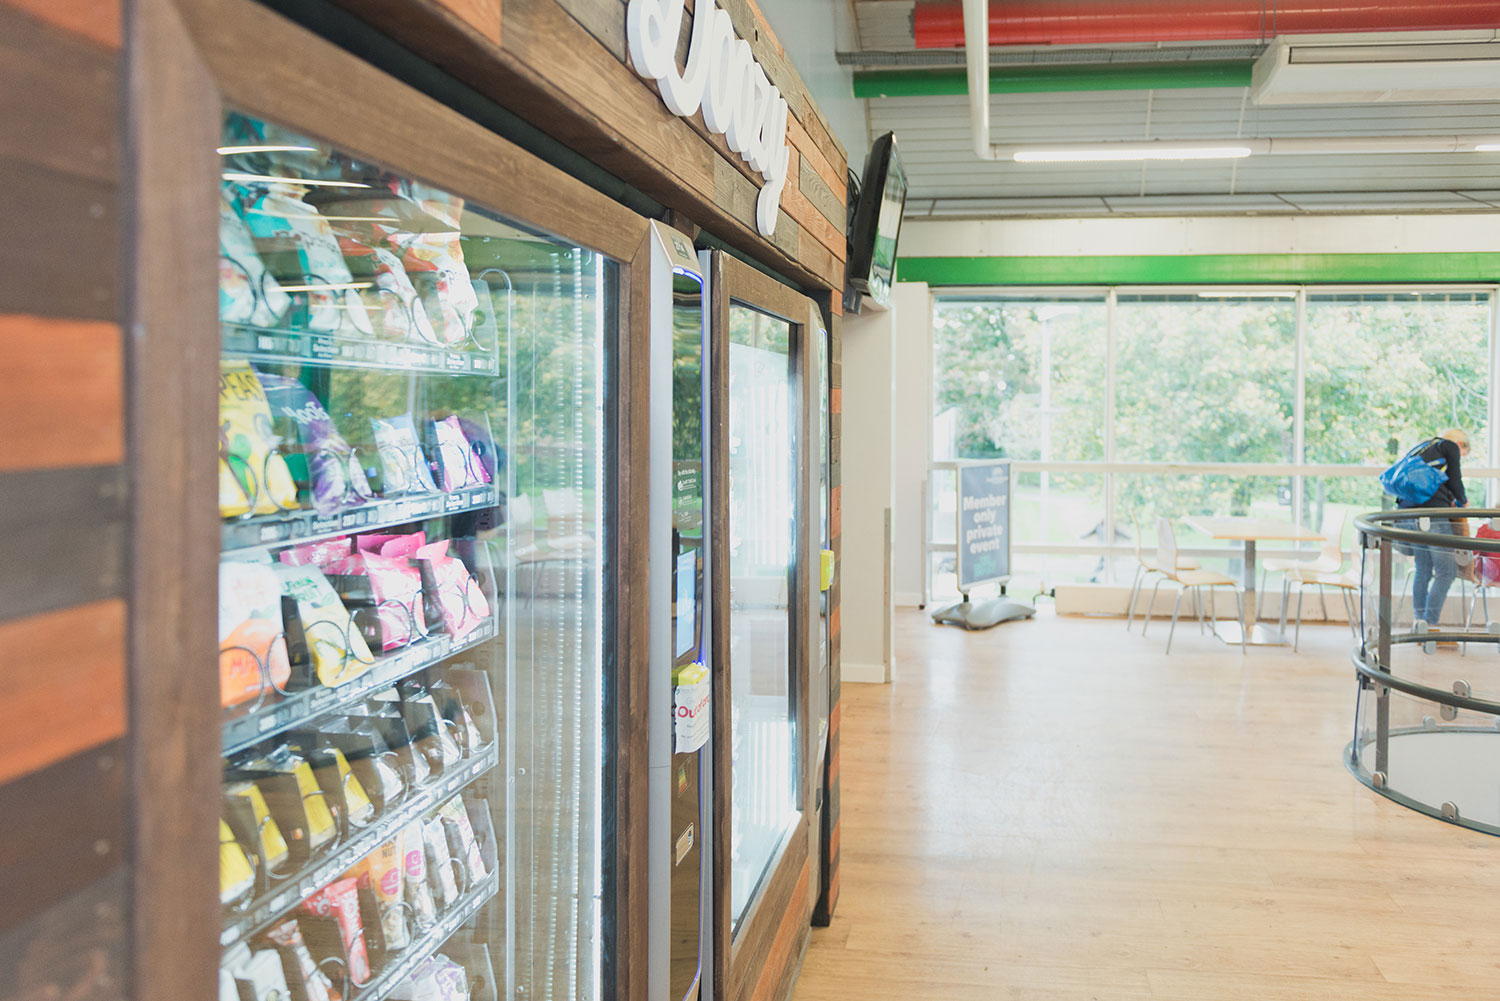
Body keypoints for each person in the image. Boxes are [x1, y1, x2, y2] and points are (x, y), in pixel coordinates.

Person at [1397, 428, 1470, 650]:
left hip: (1412, 515)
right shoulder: (1449, 446)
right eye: (1464, 455)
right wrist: (1463, 501)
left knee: (1423, 571)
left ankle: (1420, 627)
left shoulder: (1423, 447)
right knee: (1447, 572)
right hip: (1434, 517)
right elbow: (1456, 479)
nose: (1460, 458)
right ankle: (1431, 627)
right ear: (1461, 445)